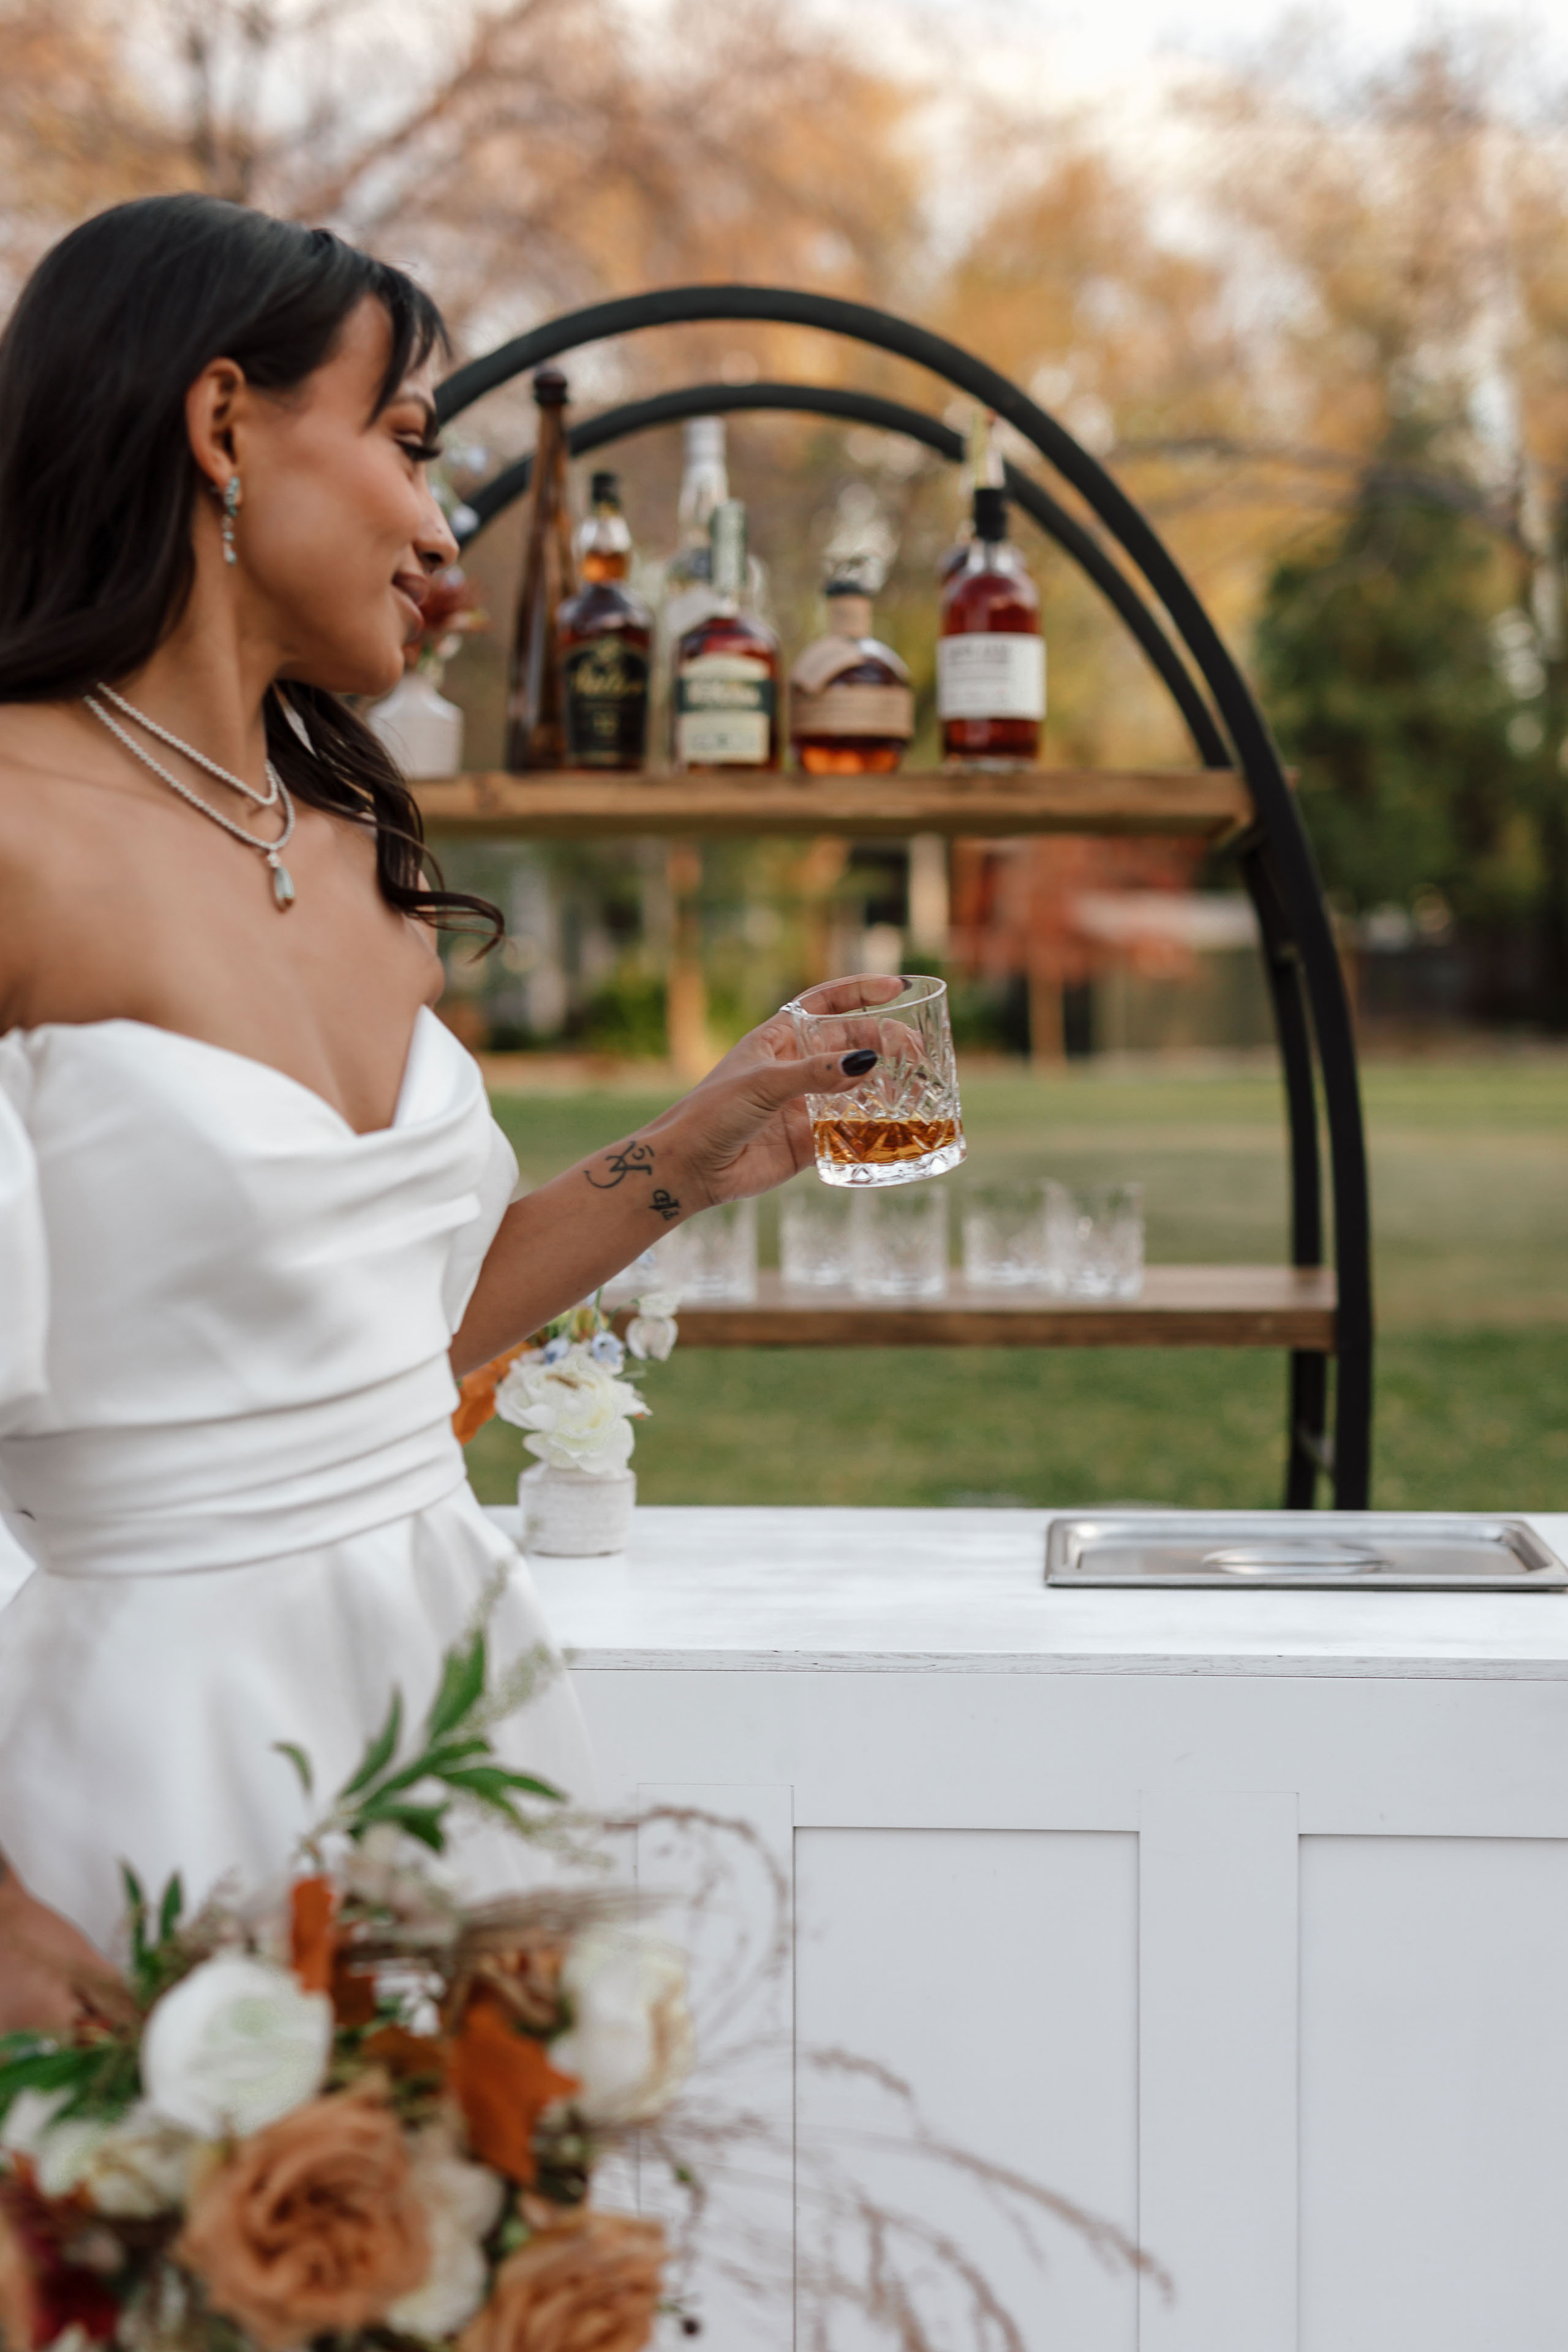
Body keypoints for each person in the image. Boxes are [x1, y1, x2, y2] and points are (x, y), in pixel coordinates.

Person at [0, 195, 875, 2030]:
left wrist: (687, 1159)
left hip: (459, 1722)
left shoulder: (354, 856)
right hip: (147, 1776)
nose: (438, 521)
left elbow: (381, 1356)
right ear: (223, 426)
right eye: (408, 445)